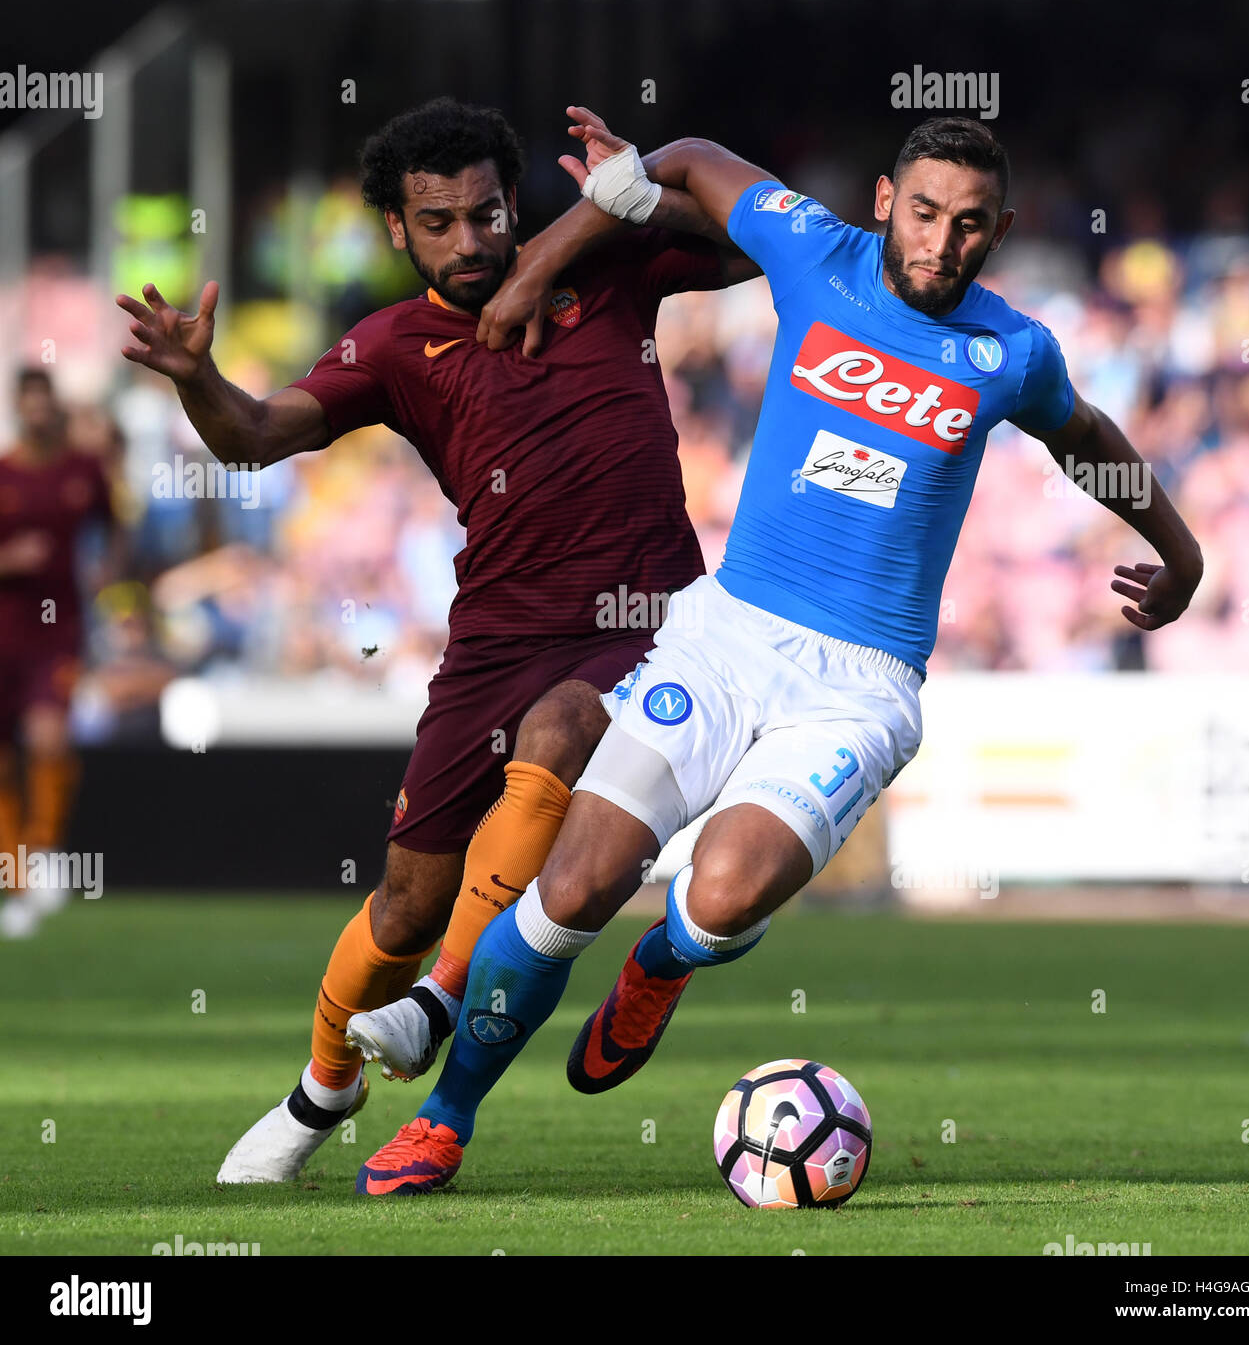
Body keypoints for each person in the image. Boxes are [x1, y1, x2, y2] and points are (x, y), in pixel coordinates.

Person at [348, 107, 1203, 1195]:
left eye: (971, 225)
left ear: (1000, 231)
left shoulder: (1008, 351)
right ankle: (445, 1117)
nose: (942, 242)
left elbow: (1084, 434)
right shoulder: (813, 250)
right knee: (571, 888)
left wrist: (1180, 557)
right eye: (926, 212)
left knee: (717, 897)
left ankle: (663, 962)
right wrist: (551, 253)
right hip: (725, 639)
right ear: (886, 203)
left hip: (857, 689)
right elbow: (696, 161)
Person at [115, 97, 756, 1183]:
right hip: (495, 637)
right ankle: (321, 1086)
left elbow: (774, 235)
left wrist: (635, 189)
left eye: (489, 214)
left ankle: (442, 996)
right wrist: (197, 380)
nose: (471, 241)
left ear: (517, 205)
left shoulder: (610, 267)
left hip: (647, 624)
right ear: (396, 231)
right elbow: (255, 438)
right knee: (403, 900)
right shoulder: (393, 346)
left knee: (561, 730)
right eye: (441, 221)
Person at [0, 369, 119, 940]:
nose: (39, 414)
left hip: (58, 633)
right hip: (4, 635)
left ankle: (43, 854)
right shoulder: (3, 472)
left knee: (49, 738)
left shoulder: (82, 469)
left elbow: (114, 527)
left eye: (46, 404)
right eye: (30, 406)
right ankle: (17, 879)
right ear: (19, 410)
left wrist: (107, 571)